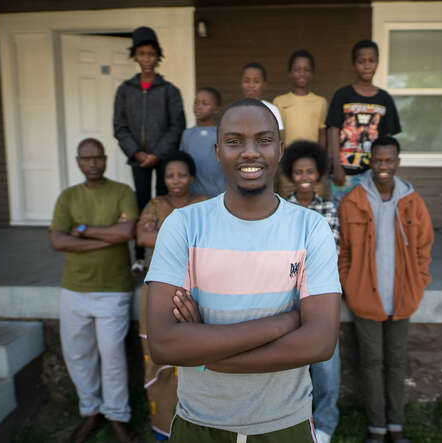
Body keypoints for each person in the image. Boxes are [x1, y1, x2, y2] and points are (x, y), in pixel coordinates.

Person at [144, 98, 341, 442]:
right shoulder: (183, 225)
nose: (250, 152)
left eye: (263, 140)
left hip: (285, 424)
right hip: (198, 423)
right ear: (218, 152)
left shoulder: (312, 229)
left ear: (279, 150)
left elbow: (320, 342)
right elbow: (163, 345)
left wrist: (203, 354)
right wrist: (284, 322)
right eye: (235, 141)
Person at [338, 136, 434, 443]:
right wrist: (350, 285)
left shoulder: (412, 202)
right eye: (377, 161)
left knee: (396, 362)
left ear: (397, 163)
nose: (383, 167)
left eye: (389, 161)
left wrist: (419, 281)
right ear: (370, 162)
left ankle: (396, 426)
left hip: (402, 296)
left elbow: (424, 248)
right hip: (365, 297)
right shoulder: (353, 201)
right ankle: (377, 428)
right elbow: (344, 253)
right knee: (371, 362)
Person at [49, 138, 139, 443]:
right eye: (86, 159)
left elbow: (127, 232)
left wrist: (85, 231)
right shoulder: (68, 197)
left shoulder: (122, 192)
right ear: (78, 161)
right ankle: (91, 411)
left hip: (113, 289)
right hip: (74, 289)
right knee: (78, 355)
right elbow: (57, 241)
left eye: (97, 157)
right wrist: (107, 238)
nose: (92, 163)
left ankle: (117, 417)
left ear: (104, 159)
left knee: (112, 355)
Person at [136, 150, 207, 441]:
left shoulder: (205, 204)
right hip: (158, 290)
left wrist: (162, 234)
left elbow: (211, 240)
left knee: (196, 354)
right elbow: (142, 237)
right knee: (158, 356)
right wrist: (187, 238)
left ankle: (198, 425)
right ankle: (163, 429)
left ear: (192, 177)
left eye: (181, 175)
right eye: (170, 176)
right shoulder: (155, 204)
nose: (175, 181)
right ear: (163, 179)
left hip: (196, 289)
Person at [280, 140, 340, 443]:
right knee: (292, 360)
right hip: (287, 296)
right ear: (291, 174)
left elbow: (331, 251)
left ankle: (326, 423)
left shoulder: (329, 208)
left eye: (310, 171)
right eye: (299, 171)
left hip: (320, 295)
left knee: (326, 363)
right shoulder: (281, 209)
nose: (304, 175)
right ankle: (294, 418)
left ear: (319, 175)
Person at [114, 26, 186, 275]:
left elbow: (177, 125)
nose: (146, 59)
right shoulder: (125, 90)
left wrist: (157, 153)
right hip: (138, 160)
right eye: (142, 54)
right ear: (135, 56)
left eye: (151, 54)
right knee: (142, 204)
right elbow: (120, 126)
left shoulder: (169, 90)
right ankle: (140, 256)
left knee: (165, 203)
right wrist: (137, 153)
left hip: (163, 159)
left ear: (157, 56)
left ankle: (166, 251)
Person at [326, 40, 401, 204]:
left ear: (377, 62)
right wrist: (336, 166)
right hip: (344, 172)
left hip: (372, 174)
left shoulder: (384, 99)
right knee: (342, 215)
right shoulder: (342, 95)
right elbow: (333, 130)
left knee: (368, 215)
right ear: (354, 64)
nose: (367, 66)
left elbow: (388, 139)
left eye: (371, 61)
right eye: (361, 61)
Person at [273, 50, 328, 198]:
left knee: (315, 204)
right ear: (290, 73)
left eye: (306, 70)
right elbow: (277, 136)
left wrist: (321, 161)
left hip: (313, 166)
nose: (302, 73)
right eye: (297, 69)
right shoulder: (279, 102)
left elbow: (322, 134)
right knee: (288, 203)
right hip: (288, 165)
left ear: (312, 73)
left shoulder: (320, 102)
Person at [179, 87, 225, 197]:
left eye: (205, 103)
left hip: (219, 194)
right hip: (193, 196)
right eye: (196, 103)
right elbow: (182, 164)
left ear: (216, 109)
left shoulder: (222, 134)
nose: (198, 106)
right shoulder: (187, 134)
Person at [240, 62, 285, 140]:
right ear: (241, 84)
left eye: (256, 81)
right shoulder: (233, 110)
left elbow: (280, 138)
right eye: (247, 81)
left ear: (264, 85)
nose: (251, 85)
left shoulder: (272, 110)